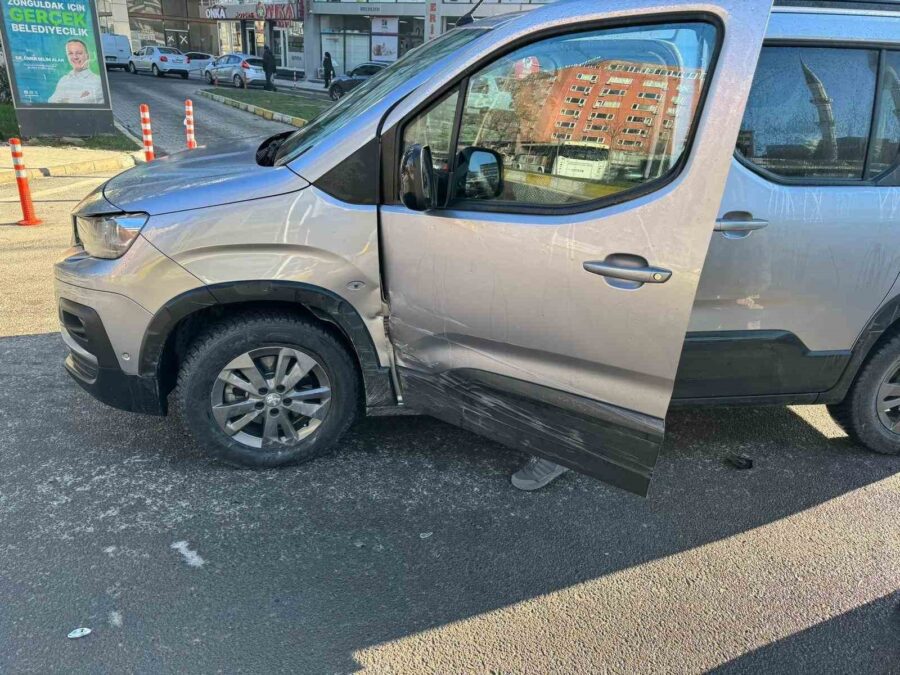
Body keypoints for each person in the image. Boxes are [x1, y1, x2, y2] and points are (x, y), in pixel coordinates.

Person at [48, 39, 103, 104]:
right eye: (70, 53)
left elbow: (84, 104)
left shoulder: (98, 81)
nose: (75, 57)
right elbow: (51, 102)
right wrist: (78, 97)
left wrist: (66, 99)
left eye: (79, 53)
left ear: (87, 56)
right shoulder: (63, 80)